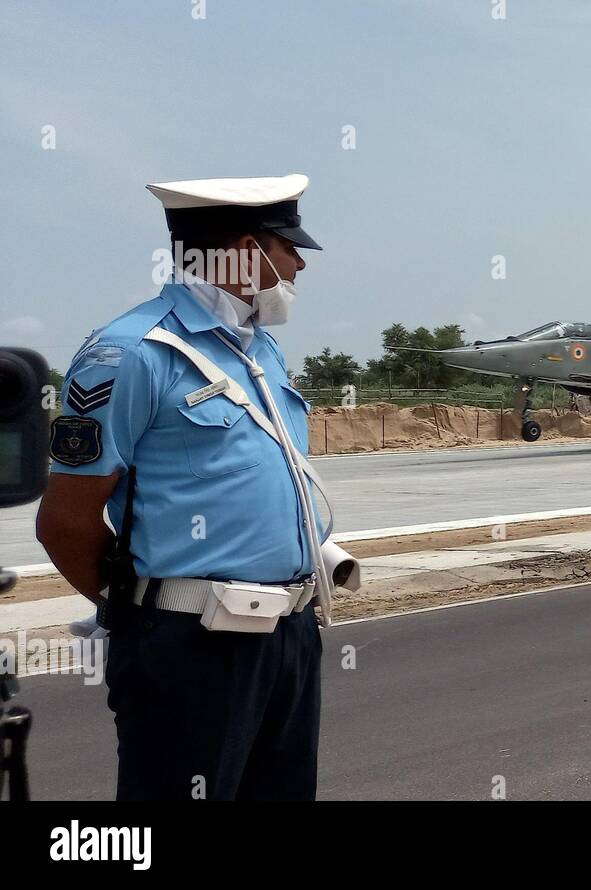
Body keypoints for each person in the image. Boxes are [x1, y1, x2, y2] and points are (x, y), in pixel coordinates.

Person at [36, 174, 357, 800]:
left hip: (289, 635)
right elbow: (66, 521)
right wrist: (137, 608)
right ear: (242, 250)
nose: (296, 264)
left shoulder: (261, 349)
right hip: (193, 643)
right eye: (287, 246)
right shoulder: (131, 351)